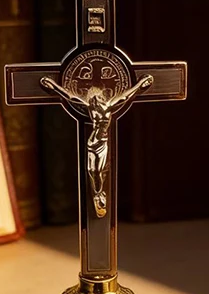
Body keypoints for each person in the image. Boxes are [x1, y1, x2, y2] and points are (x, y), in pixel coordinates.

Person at [41, 73, 153, 217]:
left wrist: (141, 84)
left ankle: (100, 195)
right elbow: (70, 97)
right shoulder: (91, 109)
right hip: (91, 143)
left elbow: (125, 96)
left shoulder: (108, 107)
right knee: (90, 170)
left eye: (99, 97)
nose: (97, 100)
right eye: (94, 98)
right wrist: (53, 86)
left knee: (98, 171)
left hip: (102, 142)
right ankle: (97, 193)